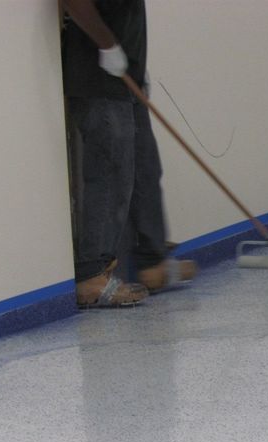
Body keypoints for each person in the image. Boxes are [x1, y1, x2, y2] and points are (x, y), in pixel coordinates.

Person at [60, 0, 197, 307]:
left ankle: (153, 261)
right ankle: (91, 276)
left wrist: (136, 64)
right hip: (98, 81)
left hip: (126, 80)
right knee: (111, 177)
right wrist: (108, 47)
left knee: (146, 169)